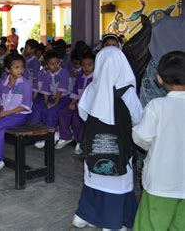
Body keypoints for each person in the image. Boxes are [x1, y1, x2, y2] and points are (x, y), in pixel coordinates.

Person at [72, 47, 143, 230]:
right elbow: (138, 118)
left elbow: (83, 113)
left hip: (95, 146)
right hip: (120, 149)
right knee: (118, 182)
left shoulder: (92, 88)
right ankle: (112, 223)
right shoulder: (127, 92)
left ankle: (84, 215)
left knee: (93, 178)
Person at [132, 51, 185, 231]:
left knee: (151, 225)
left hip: (161, 184)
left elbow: (142, 138)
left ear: (159, 78)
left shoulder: (157, 106)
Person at [0, 53, 32, 177]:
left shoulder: (25, 84)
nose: (20, 70)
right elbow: (1, 100)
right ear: (8, 69)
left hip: (20, 115)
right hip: (6, 114)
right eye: (16, 67)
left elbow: (25, 106)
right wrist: (1, 112)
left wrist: (5, 113)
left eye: (22, 67)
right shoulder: (3, 82)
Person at [56, 52, 95, 153]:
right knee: (63, 112)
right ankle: (66, 136)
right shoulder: (80, 77)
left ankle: (80, 141)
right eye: (84, 65)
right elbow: (75, 90)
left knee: (77, 120)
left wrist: (80, 104)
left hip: (89, 106)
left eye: (89, 65)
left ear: (95, 65)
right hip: (78, 102)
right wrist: (73, 102)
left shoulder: (96, 79)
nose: (86, 68)